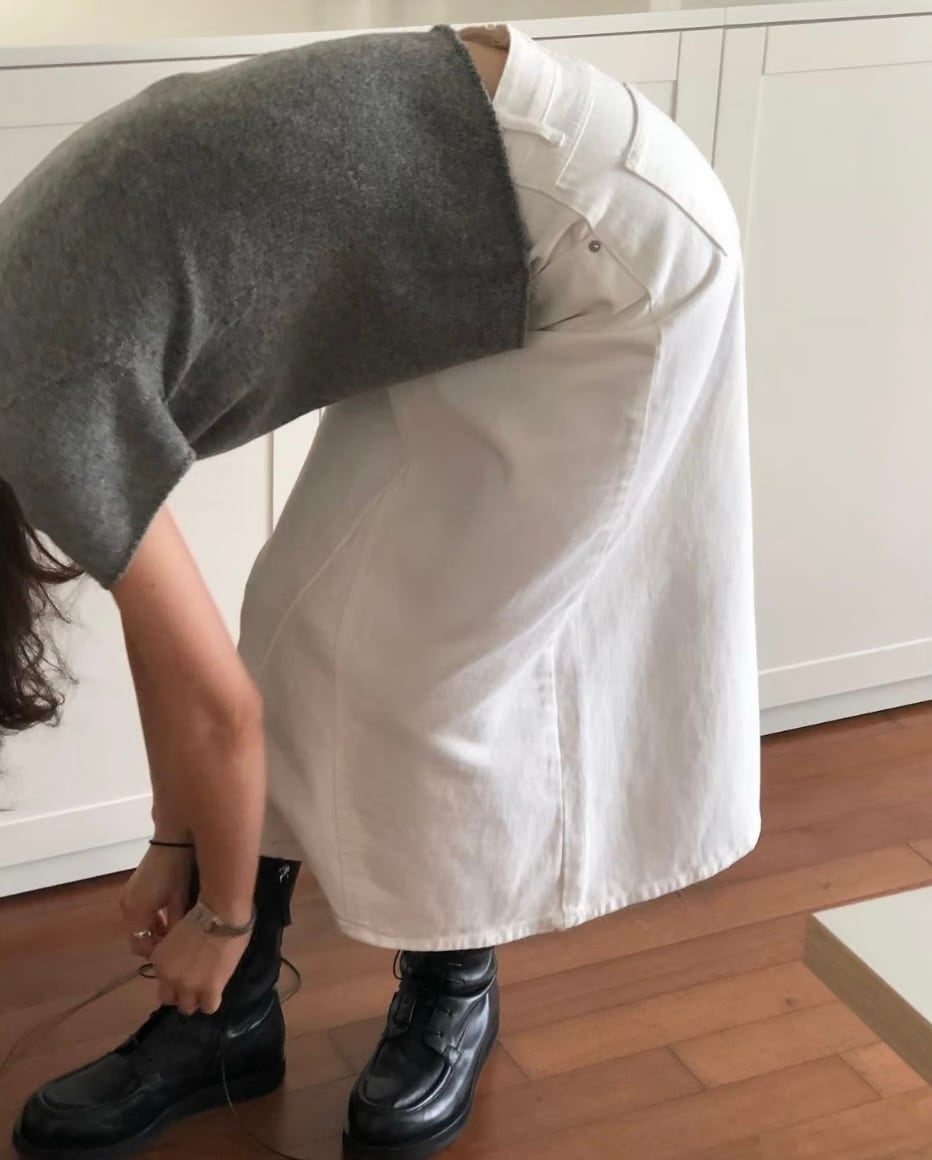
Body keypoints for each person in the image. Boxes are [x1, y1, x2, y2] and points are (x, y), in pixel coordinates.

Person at [0, 21, 761, 1160]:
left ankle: (453, 985)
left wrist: (220, 911)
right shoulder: (24, 356)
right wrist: (173, 841)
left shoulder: (40, 407)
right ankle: (230, 1020)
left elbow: (217, 710)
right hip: (481, 224)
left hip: (610, 253)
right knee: (288, 616)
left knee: (426, 676)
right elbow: (187, 665)